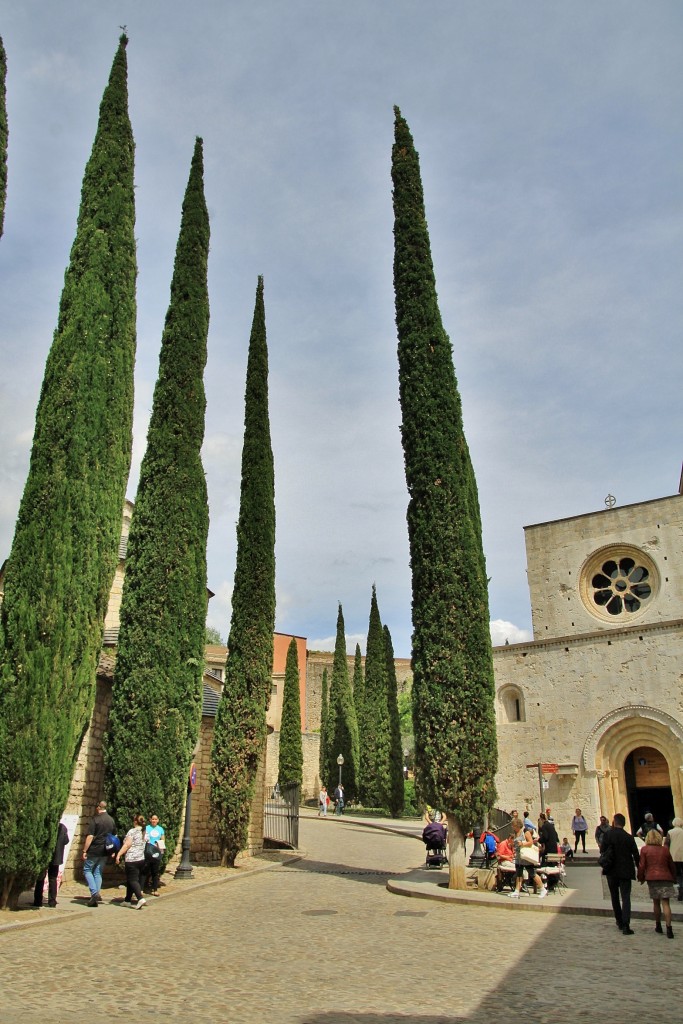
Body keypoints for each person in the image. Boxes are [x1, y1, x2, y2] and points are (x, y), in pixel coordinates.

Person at [599, 813, 640, 935]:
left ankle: (619, 921)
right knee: (626, 897)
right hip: (625, 871)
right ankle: (626, 924)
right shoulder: (629, 837)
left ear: (614, 822)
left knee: (614, 896)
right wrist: (640, 869)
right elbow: (636, 855)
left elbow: (602, 850)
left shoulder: (608, 835)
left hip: (611, 870)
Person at [638, 829, 676, 938]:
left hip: (652, 877)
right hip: (665, 877)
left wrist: (641, 877)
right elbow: (671, 865)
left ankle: (658, 925)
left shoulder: (645, 850)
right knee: (666, 903)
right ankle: (669, 928)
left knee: (656, 903)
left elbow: (642, 865)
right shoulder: (665, 850)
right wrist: (674, 877)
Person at [82, 799, 116, 907]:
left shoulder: (95, 820)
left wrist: (84, 850)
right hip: (105, 850)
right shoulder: (111, 820)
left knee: (87, 870)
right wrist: (113, 850)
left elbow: (90, 836)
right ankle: (95, 897)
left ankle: (94, 893)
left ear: (98, 807)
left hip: (95, 849)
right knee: (98, 872)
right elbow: (114, 836)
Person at [508, 818, 547, 900]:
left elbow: (530, 842)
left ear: (517, 825)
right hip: (519, 856)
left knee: (532, 873)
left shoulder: (525, 831)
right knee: (519, 874)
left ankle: (543, 889)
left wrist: (522, 843)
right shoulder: (516, 833)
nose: (513, 827)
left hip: (526, 857)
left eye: (514, 825)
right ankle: (516, 891)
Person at [33, 821, 69, 908]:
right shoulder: (62, 827)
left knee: (40, 879)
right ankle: (52, 901)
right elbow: (66, 841)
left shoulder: (45, 825)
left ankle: (37, 901)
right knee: (53, 879)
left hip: (44, 856)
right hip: (56, 857)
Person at [115, 813, 147, 909]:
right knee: (130, 879)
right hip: (141, 858)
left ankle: (140, 898)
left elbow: (127, 845)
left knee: (133, 880)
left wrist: (119, 854)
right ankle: (127, 900)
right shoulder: (144, 832)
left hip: (132, 859)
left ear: (135, 822)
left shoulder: (132, 831)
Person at [144, 814, 165, 896]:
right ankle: (143, 888)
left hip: (156, 852)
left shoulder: (160, 829)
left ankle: (155, 889)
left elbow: (162, 840)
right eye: (153, 819)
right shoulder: (147, 828)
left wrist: (161, 848)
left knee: (155, 872)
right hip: (148, 851)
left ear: (158, 820)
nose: (154, 820)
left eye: (155, 819)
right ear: (150, 820)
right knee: (145, 870)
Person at [665, 817, 683, 902]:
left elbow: (666, 844)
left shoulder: (670, 832)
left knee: (678, 875)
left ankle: (681, 890)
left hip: (674, 856)